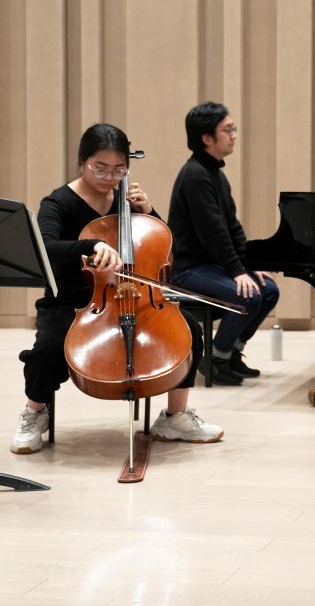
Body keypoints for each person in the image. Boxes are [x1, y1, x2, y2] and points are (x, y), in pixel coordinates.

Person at [12, 124, 223, 455]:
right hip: (73, 300)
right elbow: (47, 247)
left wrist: (149, 213)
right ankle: (35, 412)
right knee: (48, 349)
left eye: (118, 169)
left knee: (189, 332)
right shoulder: (59, 202)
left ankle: (175, 416)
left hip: (133, 295)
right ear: (82, 161)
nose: (110, 177)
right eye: (100, 168)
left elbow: (163, 248)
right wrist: (91, 245)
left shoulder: (127, 202)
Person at [167, 102, 279, 385]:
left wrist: (249, 266)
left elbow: (232, 227)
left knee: (268, 290)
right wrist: (237, 271)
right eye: (227, 130)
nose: (234, 135)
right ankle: (215, 359)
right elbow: (213, 232)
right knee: (248, 295)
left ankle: (231, 354)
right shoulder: (195, 175)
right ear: (207, 138)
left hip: (210, 266)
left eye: (233, 129)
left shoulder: (215, 174)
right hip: (188, 270)